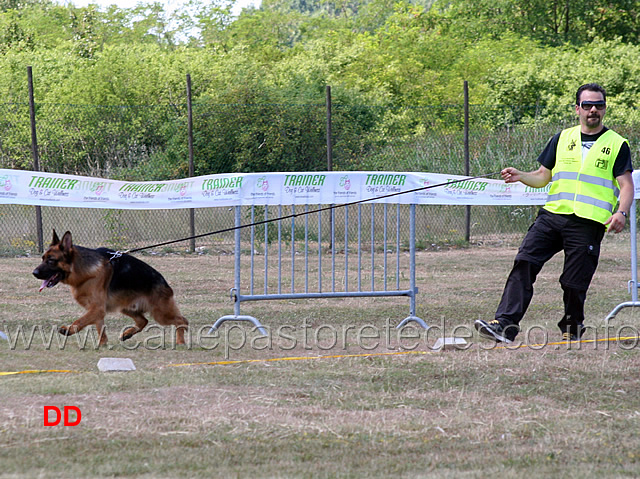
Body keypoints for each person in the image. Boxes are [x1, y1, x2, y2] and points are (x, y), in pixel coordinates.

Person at [475, 83, 634, 343]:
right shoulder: (562, 138)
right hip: (552, 216)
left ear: (604, 109)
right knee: (525, 262)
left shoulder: (617, 144)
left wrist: (622, 213)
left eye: (599, 105)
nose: (593, 110)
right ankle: (504, 324)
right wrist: (520, 176)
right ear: (577, 109)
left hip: (588, 223)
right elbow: (542, 176)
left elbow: (626, 185)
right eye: (587, 105)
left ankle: (573, 326)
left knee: (573, 283)